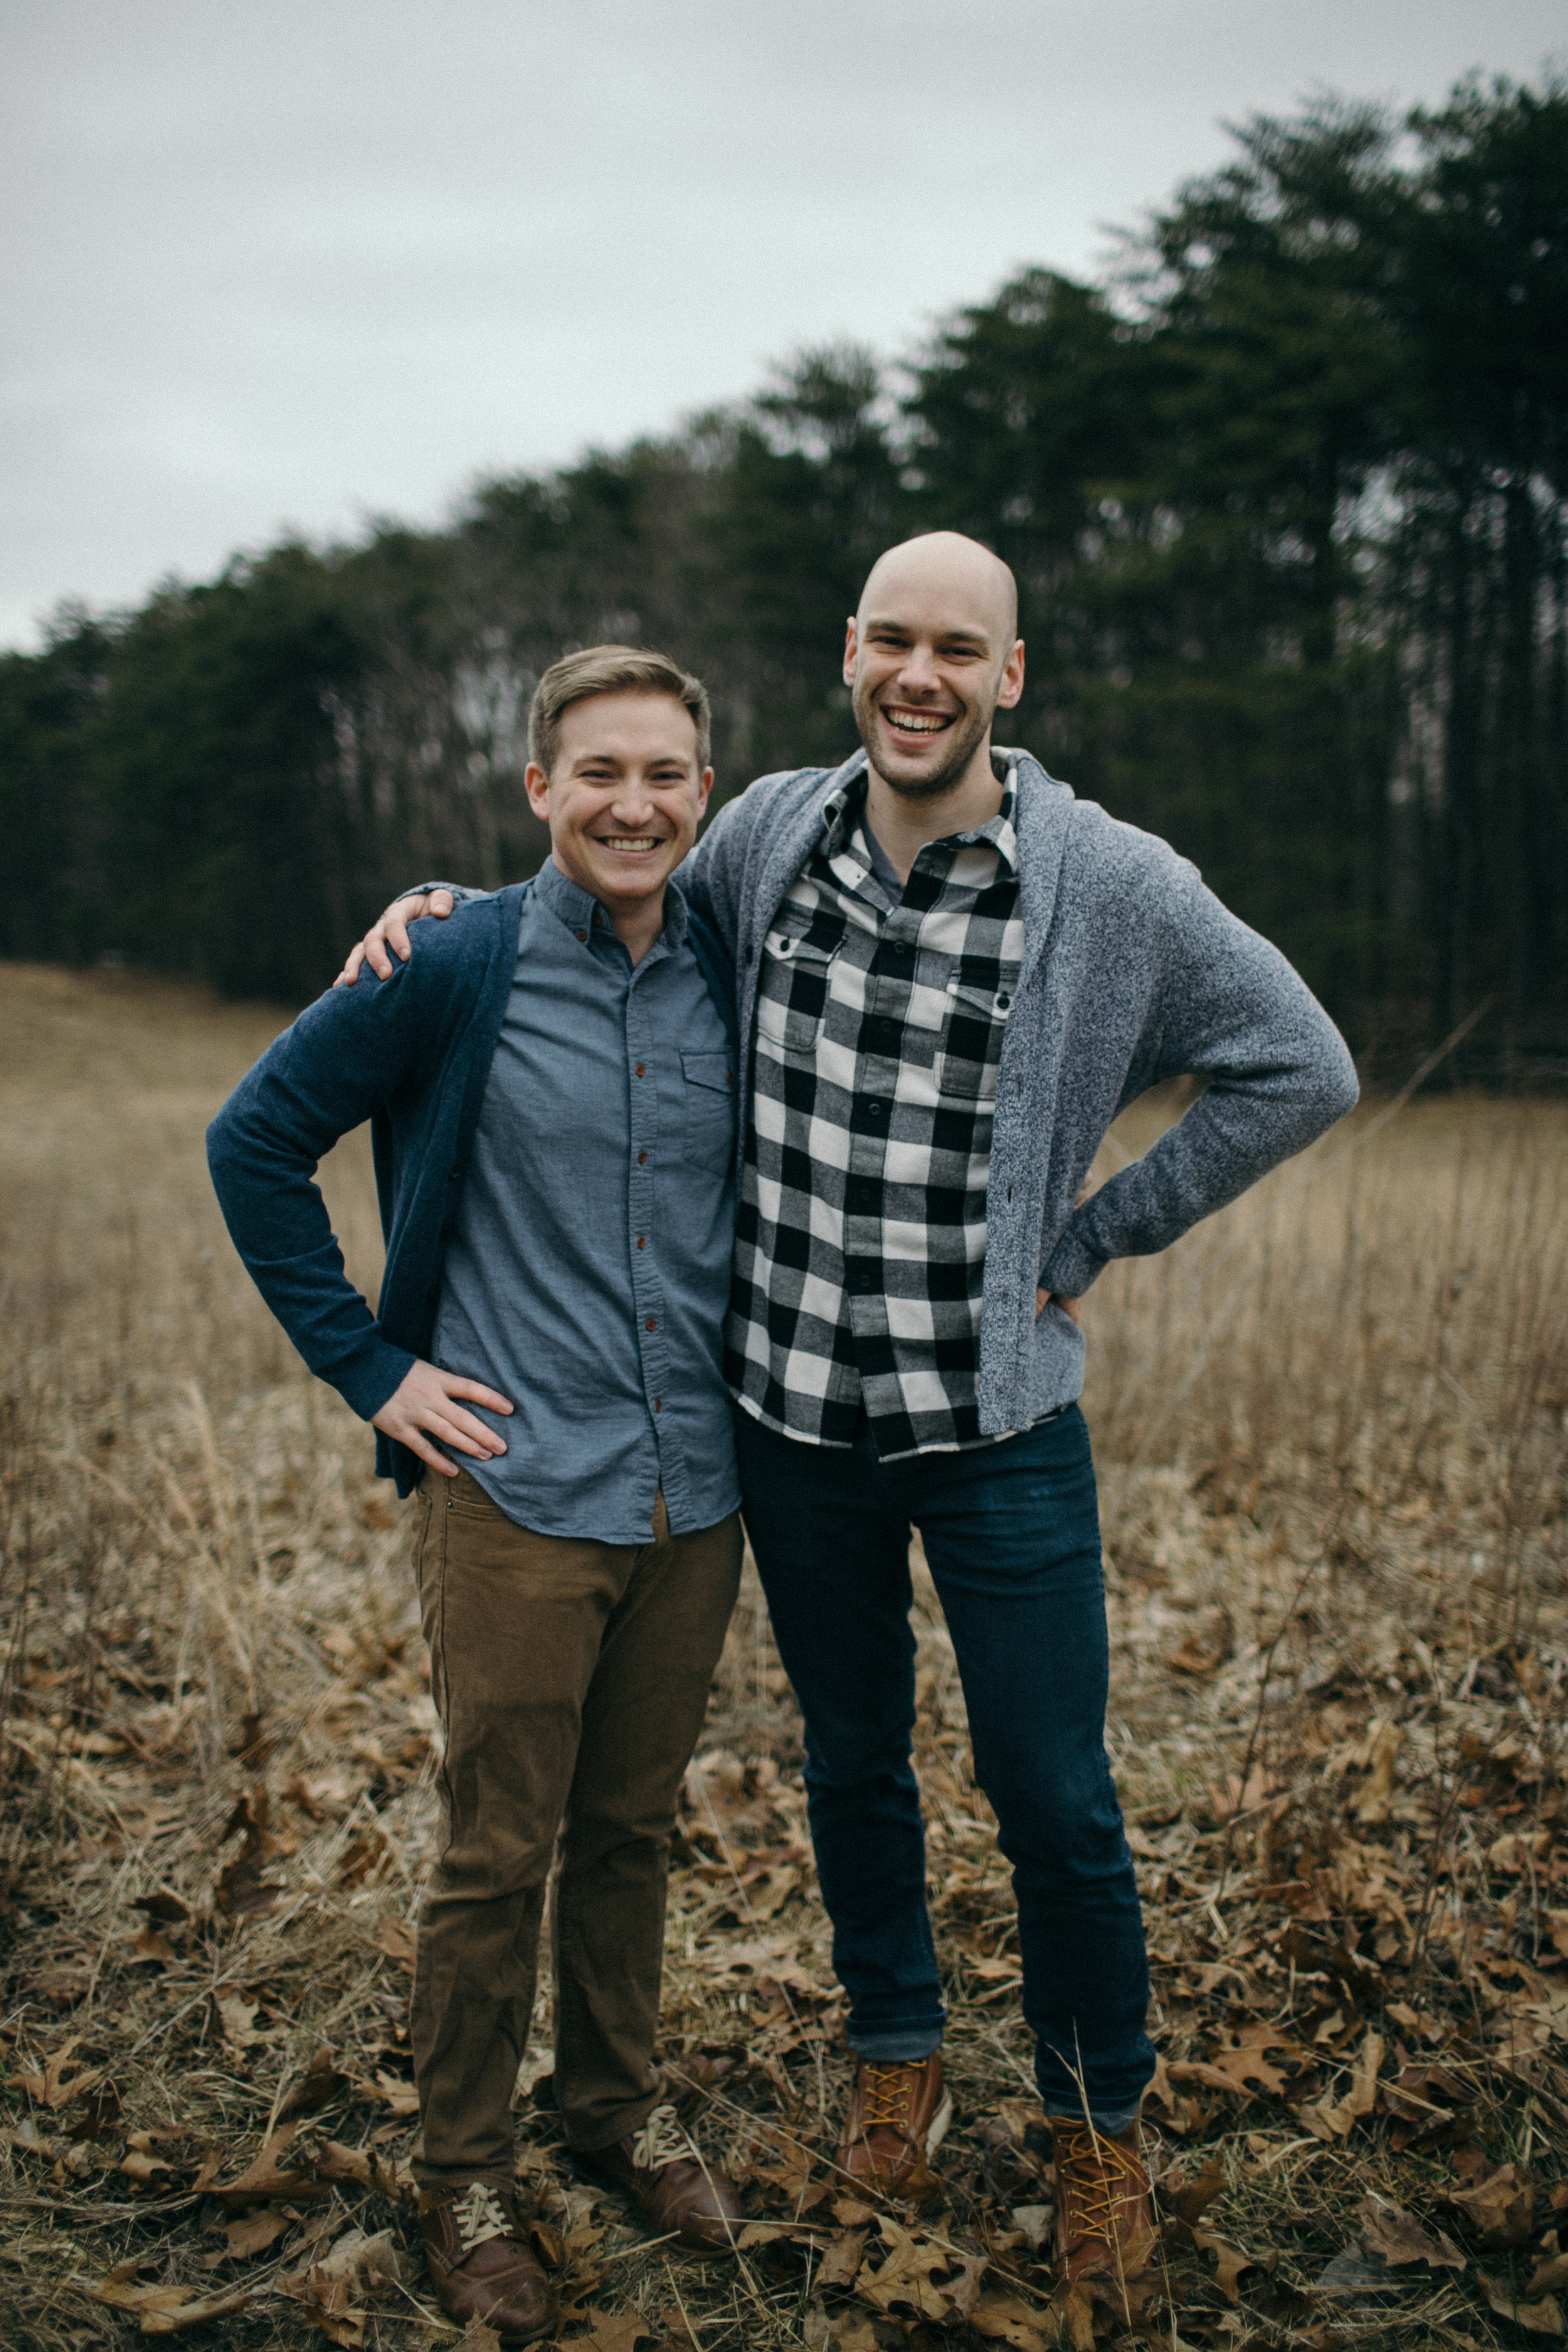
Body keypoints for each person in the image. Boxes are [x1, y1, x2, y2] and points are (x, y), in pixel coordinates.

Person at [343, 531, 1360, 2284]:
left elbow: (1301, 1062)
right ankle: (895, 2067)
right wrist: (442, 913)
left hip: (996, 1428)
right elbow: (609, 868)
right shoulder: (763, 835)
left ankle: (1093, 2128)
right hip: (794, 1420)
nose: (919, 675)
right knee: (851, 1763)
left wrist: (1102, 1227)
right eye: (891, 640)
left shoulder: (1106, 881)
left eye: (956, 649)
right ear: (848, 655)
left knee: (1056, 1797)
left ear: (1007, 677)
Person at [209, 648, 753, 2345]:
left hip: (696, 1491)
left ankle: (612, 2104)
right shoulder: (453, 954)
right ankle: (462, 2170)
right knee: (495, 1848)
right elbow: (253, 1141)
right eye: (597, 770)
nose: (632, 802)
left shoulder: (737, 958)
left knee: (632, 1829)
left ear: (703, 792)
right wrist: (371, 1369)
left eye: (663, 771)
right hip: (514, 1492)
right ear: (538, 790)